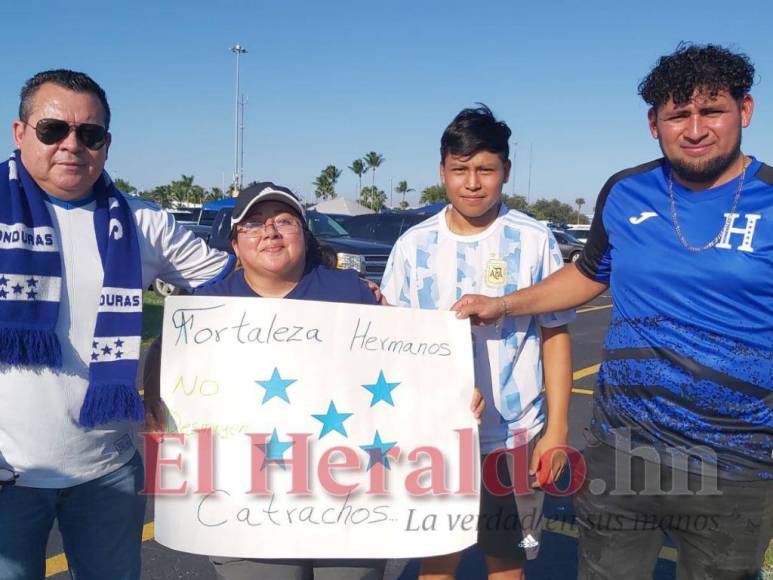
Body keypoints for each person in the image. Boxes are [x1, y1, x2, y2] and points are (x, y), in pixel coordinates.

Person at [452, 44, 773, 579]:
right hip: (620, 452)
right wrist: (504, 304)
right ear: (654, 123)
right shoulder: (626, 191)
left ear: (745, 110)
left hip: (736, 463)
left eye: (711, 111)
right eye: (678, 115)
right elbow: (587, 274)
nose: (695, 129)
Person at [0, 69, 233, 580]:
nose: (71, 145)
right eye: (52, 129)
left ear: (107, 143)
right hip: (6, 477)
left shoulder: (142, 223)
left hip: (106, 472)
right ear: (20, 133)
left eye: (90, 134)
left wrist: (338, 289)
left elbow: (238, 287)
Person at [380, 105, 574, 580]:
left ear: (505, 171)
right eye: (460, 170)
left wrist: (557, 431)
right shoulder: (414, 246)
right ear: (442, 171)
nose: (472, 183)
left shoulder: (533, 239)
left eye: (485, 169)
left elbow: (555, 335)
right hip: (435, 434)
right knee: (436, 559)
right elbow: (389, 342)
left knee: (505, 560)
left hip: (513, 435)